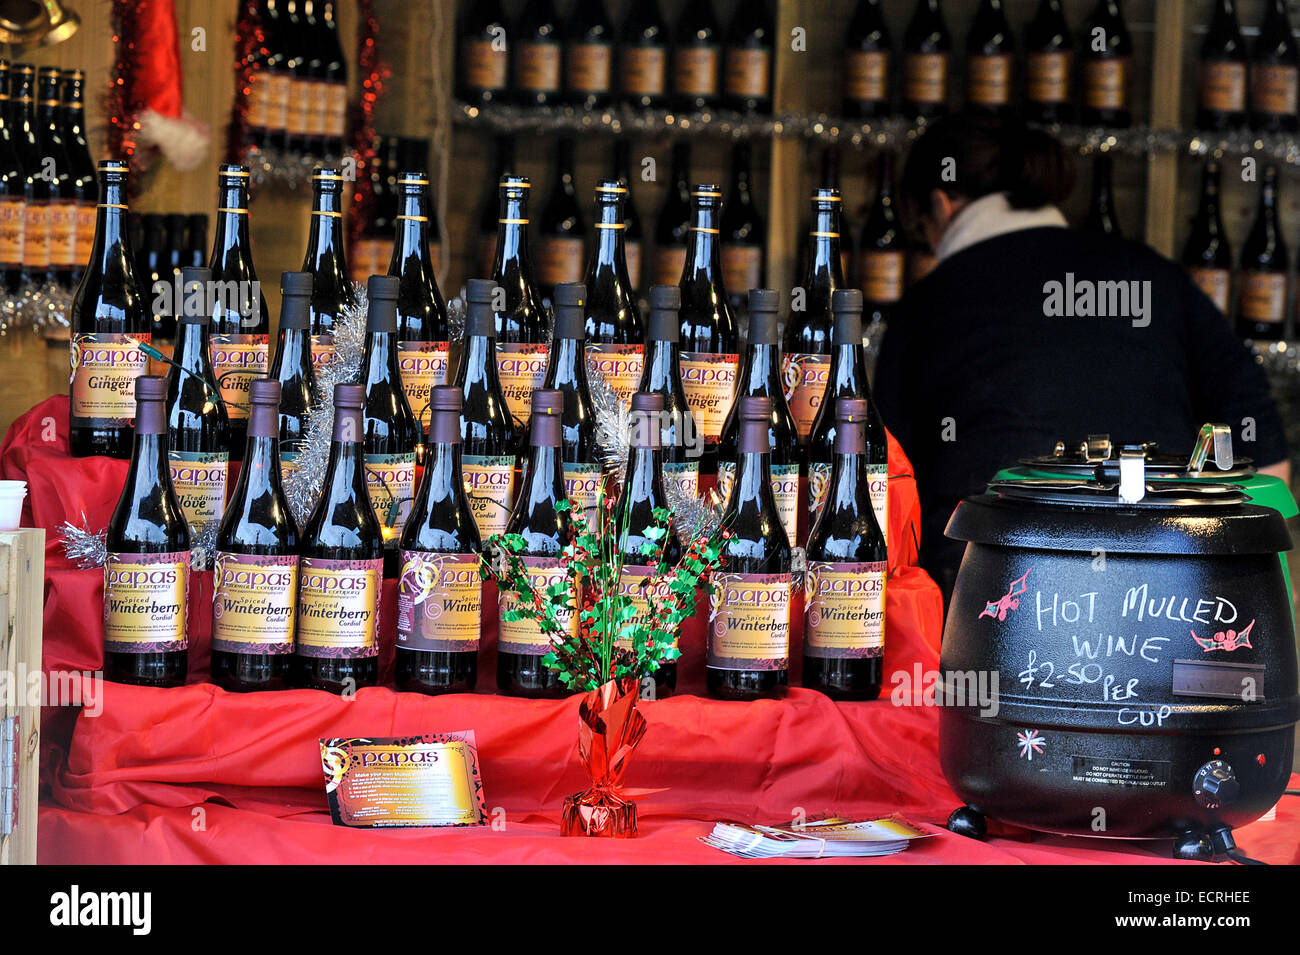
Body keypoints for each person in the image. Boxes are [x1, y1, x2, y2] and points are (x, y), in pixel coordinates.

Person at [873, 115, 1289, 602]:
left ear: (940, 206)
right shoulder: (1150, 274)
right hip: (1170, 595)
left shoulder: (925, 307)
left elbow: (885, 486)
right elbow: (1261, 448)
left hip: (986, 599)